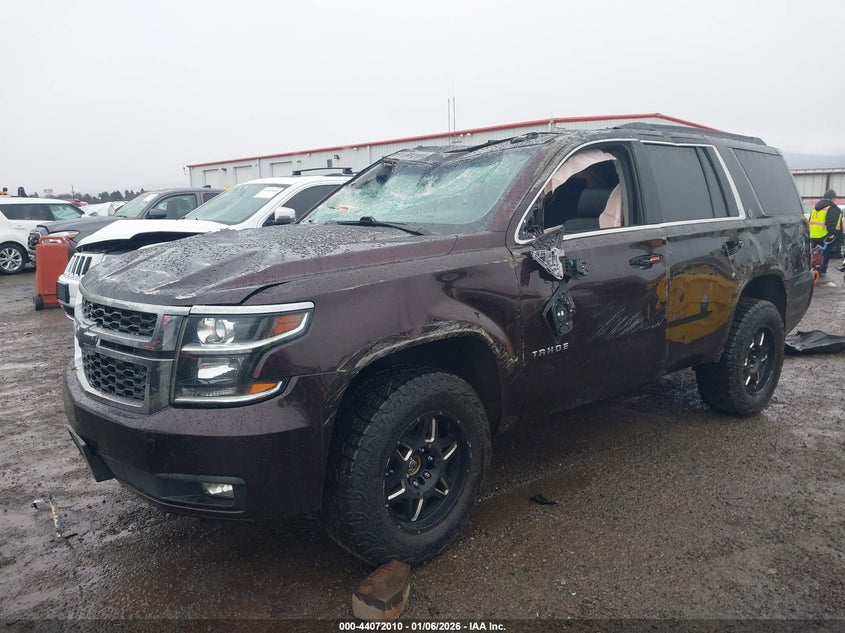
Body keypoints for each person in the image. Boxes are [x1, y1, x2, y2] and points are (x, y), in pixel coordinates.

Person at [809, 189, 843, 277]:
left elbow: (810, 221)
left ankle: (813, 271)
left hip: (813, 235)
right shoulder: (832, 208)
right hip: (825, 236)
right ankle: (821, 272)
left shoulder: (815, 208)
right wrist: (833, 235)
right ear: (834, 198)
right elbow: (832, 223)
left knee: (814, 255)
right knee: (825, 255)